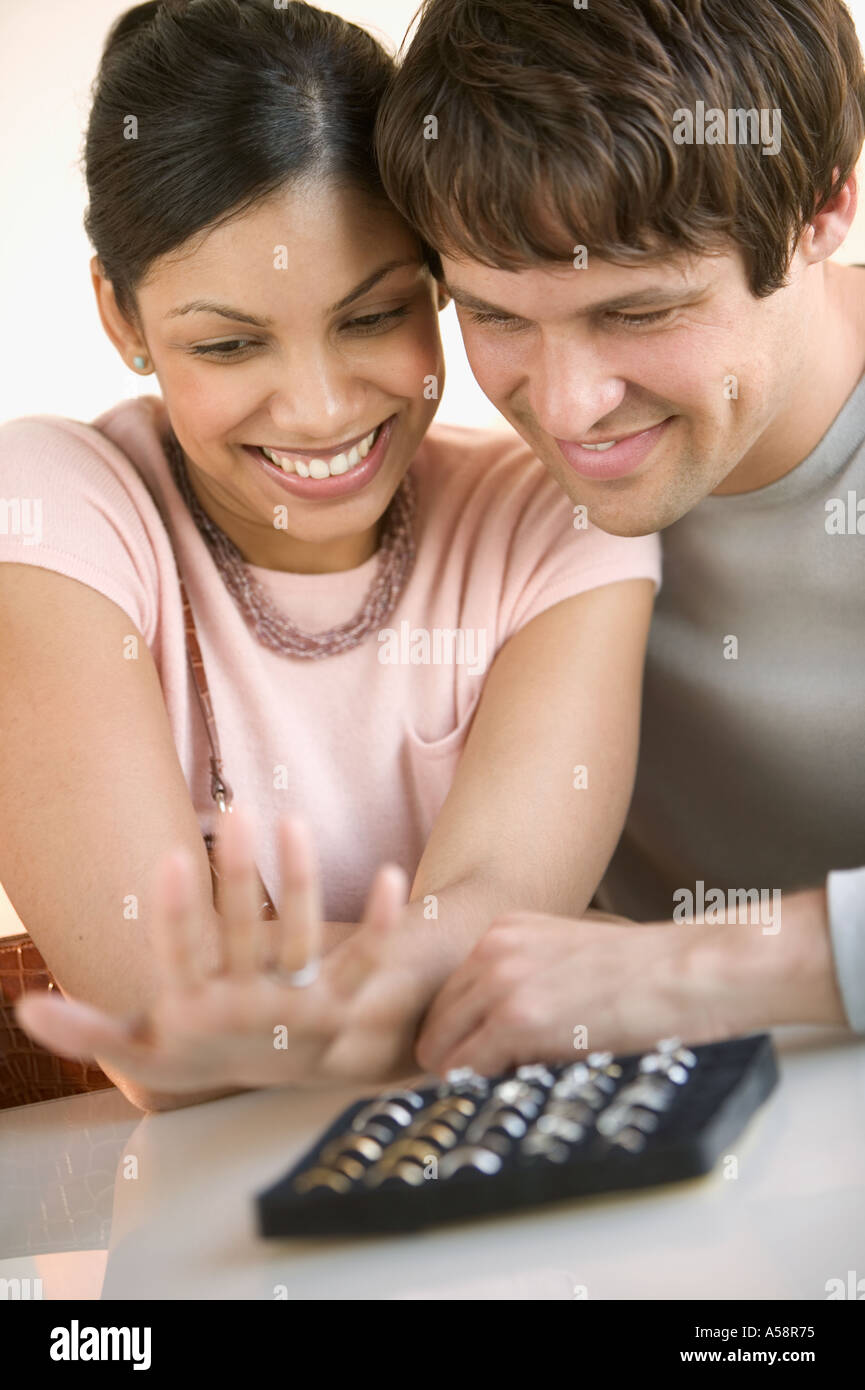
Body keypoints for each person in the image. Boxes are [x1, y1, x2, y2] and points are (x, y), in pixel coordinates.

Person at [0, 0, 660, 1110]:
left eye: (372, 317)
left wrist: (263, 991)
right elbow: (158, 1031)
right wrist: (487, 961)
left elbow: (511, 930)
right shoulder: (53, 508)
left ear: (442, 279)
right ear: (121, 316)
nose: (316, 409)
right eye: (228, 342)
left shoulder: (554, 519)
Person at [371, 0, 865, 1075]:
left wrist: (693, 968)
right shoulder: (485, 516)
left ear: (825, 206)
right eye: (495, 316)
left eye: (638, 314)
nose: (567, 408)